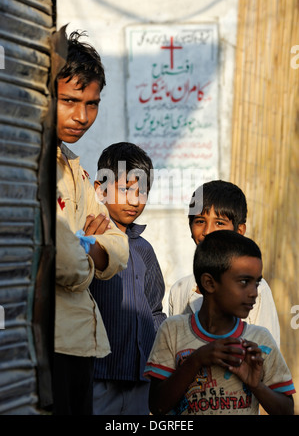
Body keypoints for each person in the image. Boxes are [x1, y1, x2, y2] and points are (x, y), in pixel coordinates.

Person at [54, 30, 129, 415]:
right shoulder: (28, 165)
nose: (82, 117)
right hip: (48, 343)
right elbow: (64, 263)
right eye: (70, 101)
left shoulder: (75, 169)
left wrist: (90, 244)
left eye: (92, 104)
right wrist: (88, 250)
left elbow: (118, 243)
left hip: (80, 342)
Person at [145, 230, 295, 415]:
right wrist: (197, 360)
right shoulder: (172, 330)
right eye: (243, 281)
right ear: (209, 283)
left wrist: (256, 385)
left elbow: (287, 409)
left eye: (256, 283)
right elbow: (157, 406)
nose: (254, 292)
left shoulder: (260, 341)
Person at [90, 142, 167, 415]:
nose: (135, 201)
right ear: (100, 189)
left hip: (141, 379)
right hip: (98, 376)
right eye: (125, 189)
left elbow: (156, 310)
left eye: (142, 191)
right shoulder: (90, 243)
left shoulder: (144, 249)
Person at [168, 180, 280, 347]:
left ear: (240, 231)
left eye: (219, 223)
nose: (207, 231)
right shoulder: (180, 289)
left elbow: (268, 356)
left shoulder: (257, 289)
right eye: (200, 221)